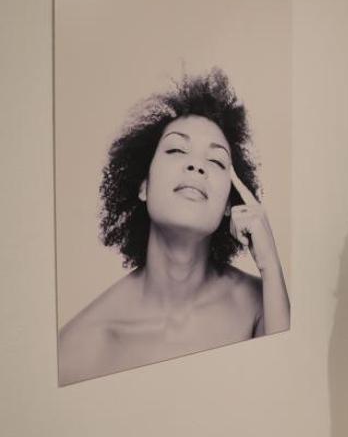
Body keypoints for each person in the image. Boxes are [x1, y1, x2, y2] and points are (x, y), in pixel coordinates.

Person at [58, 69, 290, 386]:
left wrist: (270, 263)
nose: (196, 166)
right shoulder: (82, 345)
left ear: (229, 205)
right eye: (177, 150)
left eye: (217, 161)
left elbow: (284, 389)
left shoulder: (259, 304)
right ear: (143, 185)